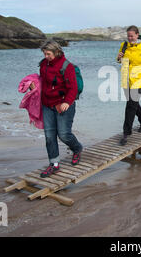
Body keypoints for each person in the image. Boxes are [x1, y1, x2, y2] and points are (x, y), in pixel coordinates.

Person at [32, 40, 83, 178]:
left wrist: (67, 102)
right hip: (47, 105)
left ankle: (77, 148)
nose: (46, 56)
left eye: (48, 54)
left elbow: (73, 88)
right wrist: (33, 87)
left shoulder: (67, 67)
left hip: (63, 105)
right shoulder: (43, 64)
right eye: (44, 53)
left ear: (56, 52)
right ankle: (54, 164)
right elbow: (42, 81)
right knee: (49, 136)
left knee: (64, 135)